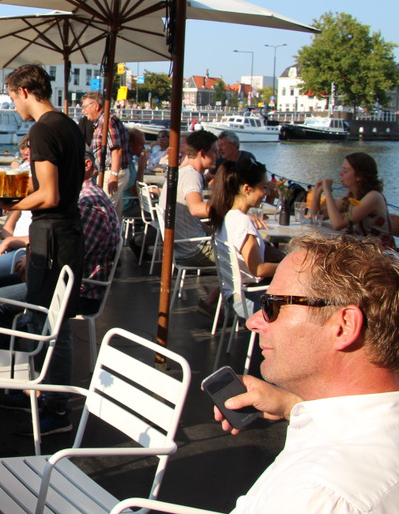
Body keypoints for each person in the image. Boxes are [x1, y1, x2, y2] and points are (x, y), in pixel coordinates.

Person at [212, 234, 399, 512]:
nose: (253, 321)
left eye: (273, 306)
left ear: (344, 326)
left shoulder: (318, 496)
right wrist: (293, 405)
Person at [0, 64, 84, 435]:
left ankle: (56, 408)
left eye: (13, 98)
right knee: (52, 321)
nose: (14, 106)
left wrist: (11, 205)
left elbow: (49, 194)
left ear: (25, 92)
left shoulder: (42, 130)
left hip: (54, 236)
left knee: (49, 325)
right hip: (66, 233)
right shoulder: (69, 125)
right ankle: (43, 394)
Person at [209, 159, 285, 316]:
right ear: (247, 189)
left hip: (232, 294)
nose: (267, 193)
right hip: (247, 300)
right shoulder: (243, 223)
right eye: (263, 187)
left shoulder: (226, 216)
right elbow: (258, 269)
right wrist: (290, 267)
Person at [157, 129, 218, 269]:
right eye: (214, 152)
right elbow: (196, 209)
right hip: (194, 252)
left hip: (181, 249)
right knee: (255, 254)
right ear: (202, 153)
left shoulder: (182, 172)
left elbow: (190, 218)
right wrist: (231, 209)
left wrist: (212, 231)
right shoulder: (192, 175)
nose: (217, 156)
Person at [313, 152, 395, 248]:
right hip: (364, 249)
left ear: (359, 176)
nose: (340, 174)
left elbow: (338, 224)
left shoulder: (373, 197)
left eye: (345, 171)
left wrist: (327, 190)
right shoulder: (351, 198)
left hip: (382, 252)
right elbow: (315, 217)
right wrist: (317, 192)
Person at [80, 91, 129, 214]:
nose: (83, 111)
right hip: (110, 171)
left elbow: (116, 149)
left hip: (112, 171)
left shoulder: (108, 122)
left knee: (102, 210)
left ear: (96, 106)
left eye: (85, 107)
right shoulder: (101, 123)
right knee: (114, 212)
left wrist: (114, 175)